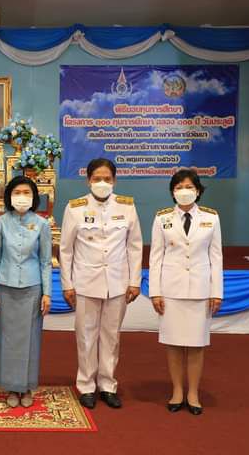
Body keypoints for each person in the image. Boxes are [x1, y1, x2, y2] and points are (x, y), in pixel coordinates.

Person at [60, 158, 142, 410]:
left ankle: (107, 385)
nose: (102, 183)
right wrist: (67, 284)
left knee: (111, 337)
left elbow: (134, 246)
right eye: (97, 179)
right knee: (86, 337)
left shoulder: (127, 206)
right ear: (88, 181)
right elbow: (66, 250)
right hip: (85, 282)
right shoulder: (75, 208)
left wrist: (135, 281)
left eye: (107, 178)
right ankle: (86, 386)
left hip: (117, 282)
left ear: (114, 180)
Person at [149, 169, 223, 416]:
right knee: (173, 343)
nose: (184, 191)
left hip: (201, 290)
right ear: (172, 192)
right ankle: (177, 391)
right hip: (171, 290)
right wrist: (155, 292)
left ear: (198, 191)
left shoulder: (211, 218)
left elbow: (216, 257)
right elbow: (156, 257)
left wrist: (217, 292)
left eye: (189, 186)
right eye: (179, 187)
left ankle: (193, 393)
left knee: (196, 344)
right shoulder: (162, 218)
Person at [0, 176, 52, 408]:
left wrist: (47, 293)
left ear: (34, 197)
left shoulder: (42, 224)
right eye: (17, 192)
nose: (22, 197)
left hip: (32, 288)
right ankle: (10, 386)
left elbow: (46, 261)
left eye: (27, 193)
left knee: (30, 339)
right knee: (7, 339)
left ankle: (26, 387)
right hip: (5, 288)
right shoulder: (0, 223)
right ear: (9, 196)